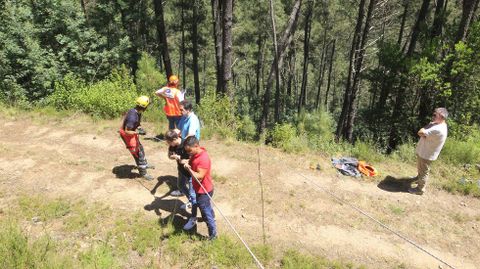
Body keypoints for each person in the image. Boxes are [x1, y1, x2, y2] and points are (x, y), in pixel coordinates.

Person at [181, 136, 216, 240]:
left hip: (204, 191)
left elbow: (200, 176)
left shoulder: (203, 158)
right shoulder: (196, 154)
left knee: (206, 213)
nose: (188, 153)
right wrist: (187, 162)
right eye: (187, 151)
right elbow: (192, 162)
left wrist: (188, 168)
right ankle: (211, 214)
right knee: (206, 208)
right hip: (198, 189)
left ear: (196, 146)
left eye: (189, 150)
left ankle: (213, 235)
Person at [409, 107, 449, 195]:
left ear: (442, 117)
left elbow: (420, 132)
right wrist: (429, 126)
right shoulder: (441, 125)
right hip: (426, 152)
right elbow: (424, 132)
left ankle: (420, 189)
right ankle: (418, 179)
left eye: (435, 115)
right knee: (421, 169)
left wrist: (427, 127)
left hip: (426, 154)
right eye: (433, 114)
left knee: (424, 171)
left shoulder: (437, 128)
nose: (433, 116)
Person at [119, 96, 154, 181]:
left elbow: (137, 124)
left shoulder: (137, 111)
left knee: (140, 149)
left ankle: (144, 164)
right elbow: (127, 131)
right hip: (127, 135)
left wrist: (140, 128)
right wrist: (138, 132)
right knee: (137, 154)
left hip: (132, 133)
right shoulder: (132, 117)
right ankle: (143, 173)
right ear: (144, 106)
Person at [164, 129, 197, 207]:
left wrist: (183, 160)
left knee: (192, 192)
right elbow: (169, 156)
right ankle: (191, 201)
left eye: (169, 142)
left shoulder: (186, 144)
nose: (168, 144)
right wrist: (173, 156)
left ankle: (195, 210)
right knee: (180, 186)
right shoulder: (172, 146)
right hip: (181, 171)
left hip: (190, 173)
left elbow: (195, 159)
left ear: (175, 139)